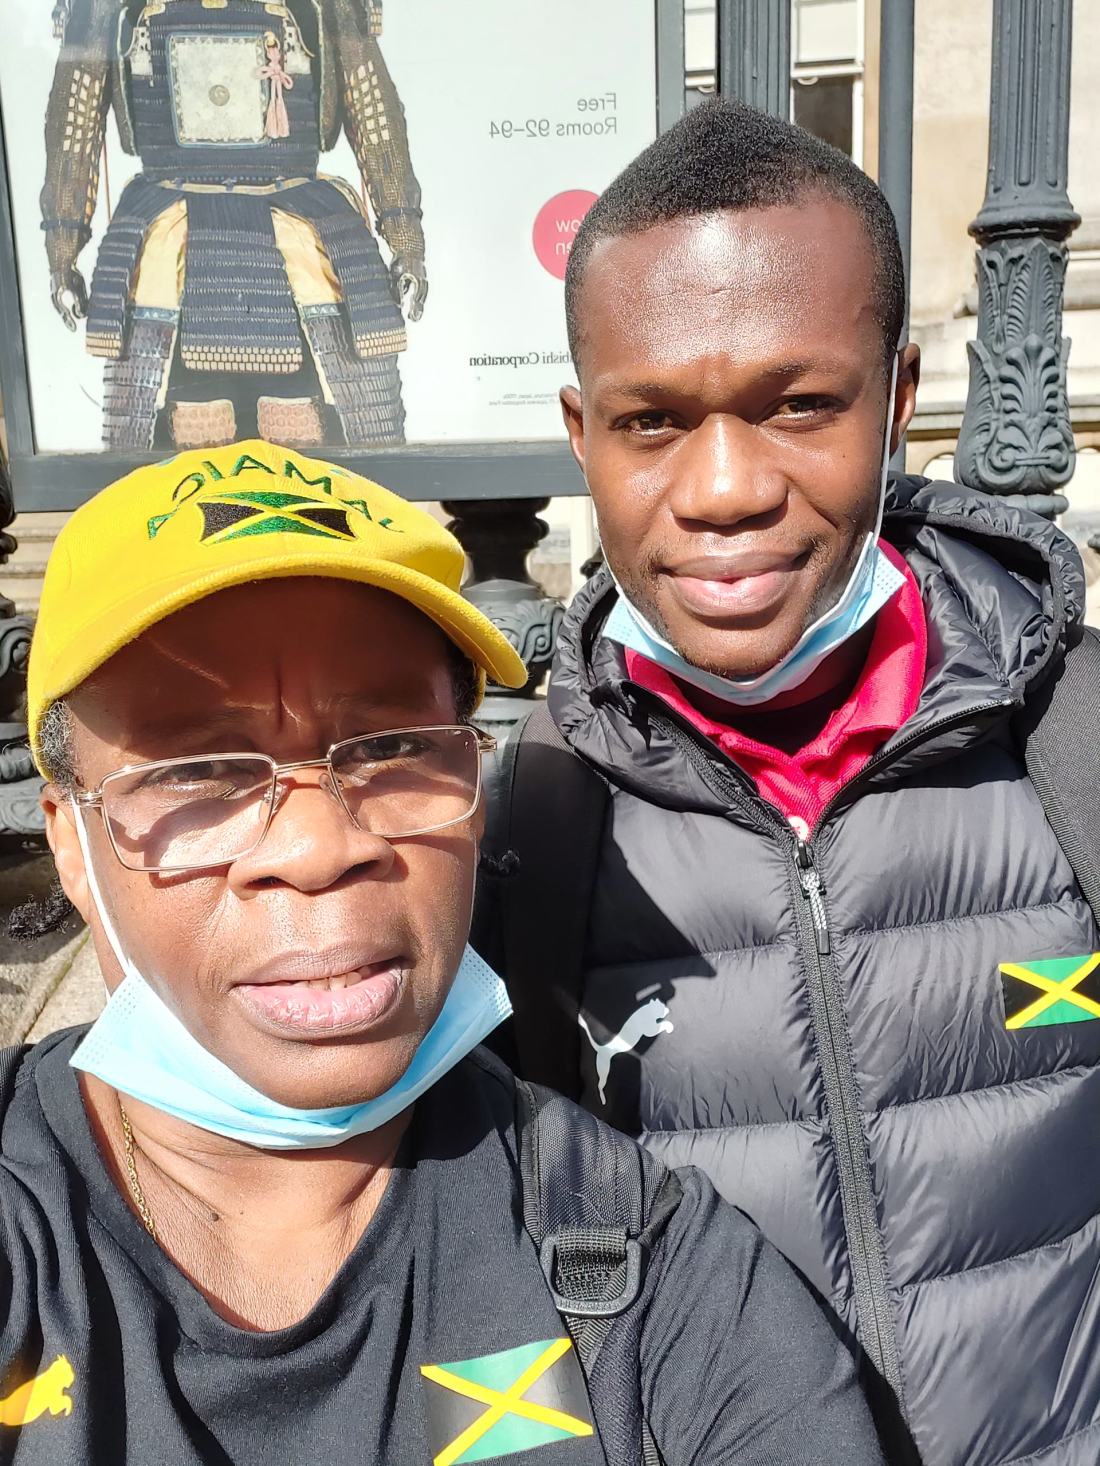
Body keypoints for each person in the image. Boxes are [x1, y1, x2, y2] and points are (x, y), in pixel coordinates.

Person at [0, 439, 883, 1465]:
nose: (320, 846)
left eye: (389, 748)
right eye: (199, 772)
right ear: (72, 843)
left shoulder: (640, 1260)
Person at [477, 100, 1100, 1466]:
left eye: (799, 404)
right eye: (651, 421)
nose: (723, 489)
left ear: (898, 395)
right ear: (581, 433)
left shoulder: (1075, 740)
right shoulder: (521, 834)